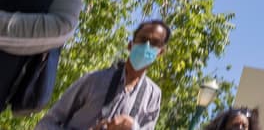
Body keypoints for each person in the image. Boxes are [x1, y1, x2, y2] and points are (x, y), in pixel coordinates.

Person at [35, 19, 169, 130]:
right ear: (130, 45)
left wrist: (133, 127)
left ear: (160, 52)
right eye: (143, 40)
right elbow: (46, 123)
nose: (146, 46)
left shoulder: (153, 95)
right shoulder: (95, 79)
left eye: (154, 43)